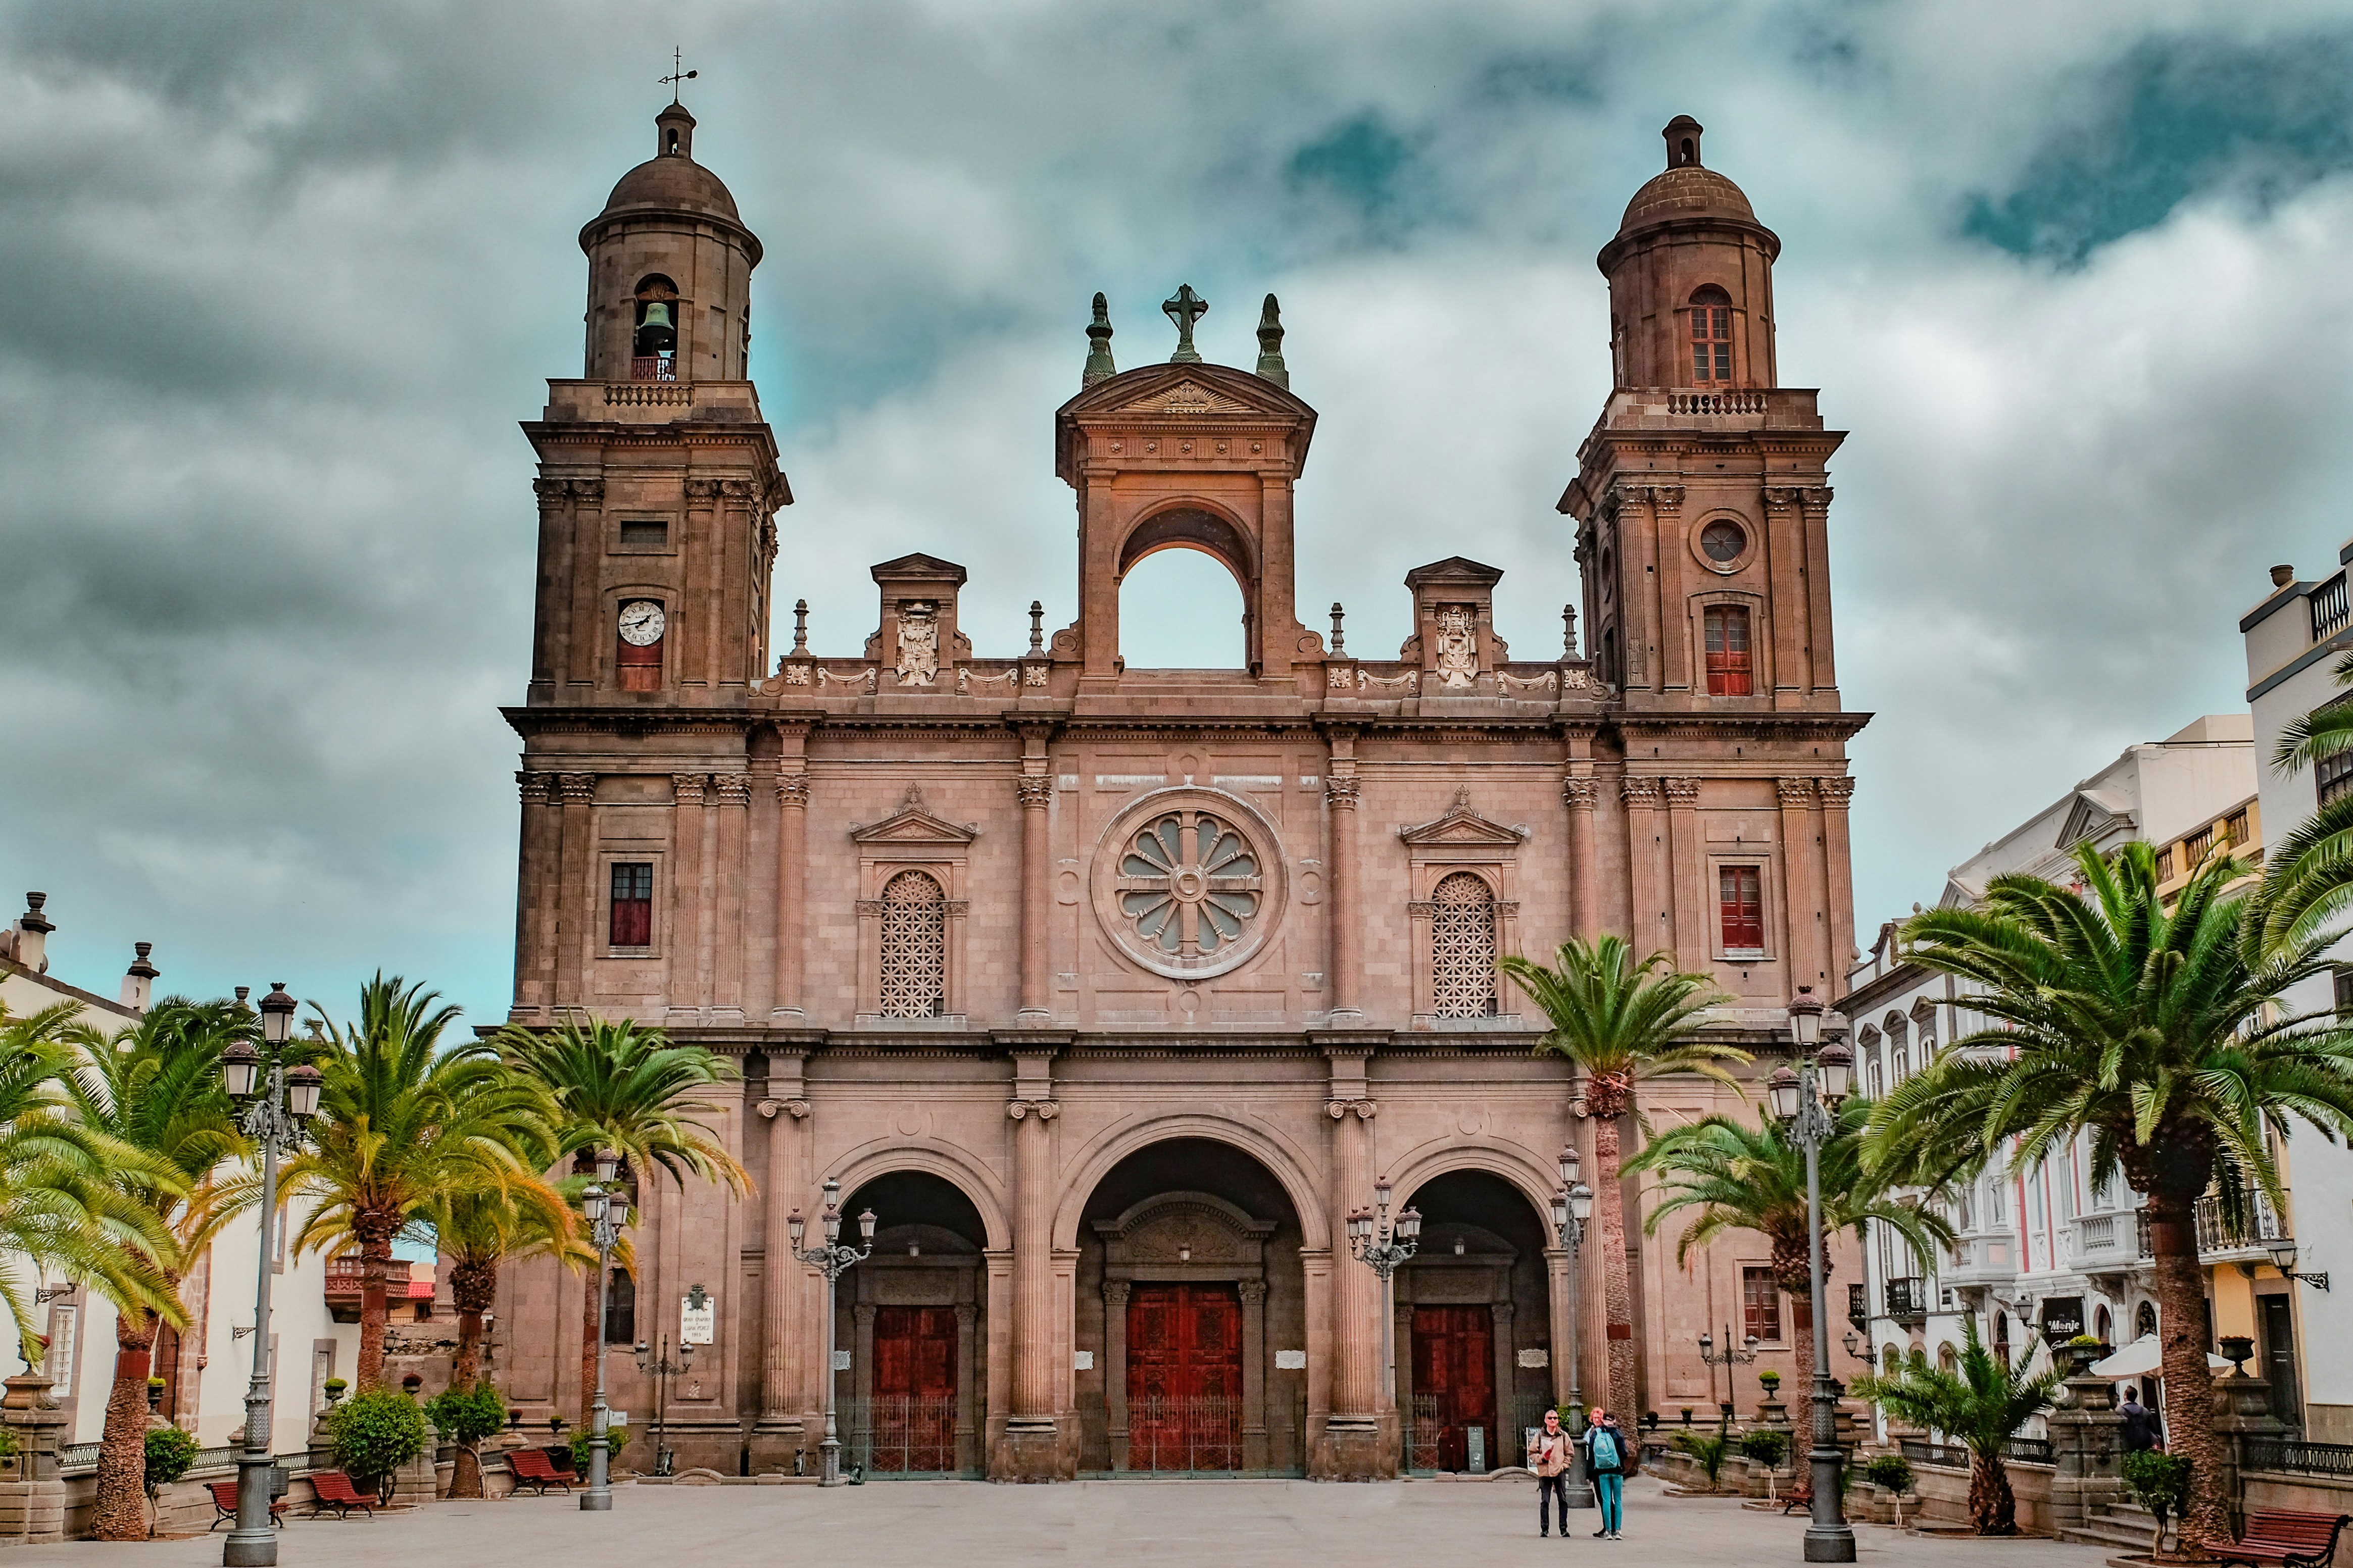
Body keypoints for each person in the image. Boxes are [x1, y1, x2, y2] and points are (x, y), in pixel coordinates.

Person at [1583, 1406, 1627, 1540]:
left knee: (1606, 1500)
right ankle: (1617, 1531)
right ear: (1614, 1421)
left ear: (1603, 1420)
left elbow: (1592, 1452)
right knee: (1618, 1500)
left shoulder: (1596, 1433)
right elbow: (1624, 1453)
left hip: (1602, 1471)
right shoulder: (1618, 1434)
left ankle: (1608, 1531)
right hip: (1617, 1471)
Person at [1529, 1407, 1573, 1538]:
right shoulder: (1539, 1436)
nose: (1553, 1420)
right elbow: (1532, 1453)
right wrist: (1542, 1458)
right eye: (1550, 1418)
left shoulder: (1563, 1436)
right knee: (1545, 1501)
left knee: (1563, 1500)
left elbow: (1570, 1453)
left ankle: (1563, 1529)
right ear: (1546, 1420)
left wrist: (1564, 1466)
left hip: (1559, 1471)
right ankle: (1545, 1528)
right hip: (1545, 1472)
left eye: (1555, 1418)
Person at [2118, 1386, 2164, 1454]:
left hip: (2127, 1444)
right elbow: (2153, 1429)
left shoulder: (2120, 1411)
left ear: (2125, 1396)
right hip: (2144, 1444)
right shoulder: (2144, 1411)